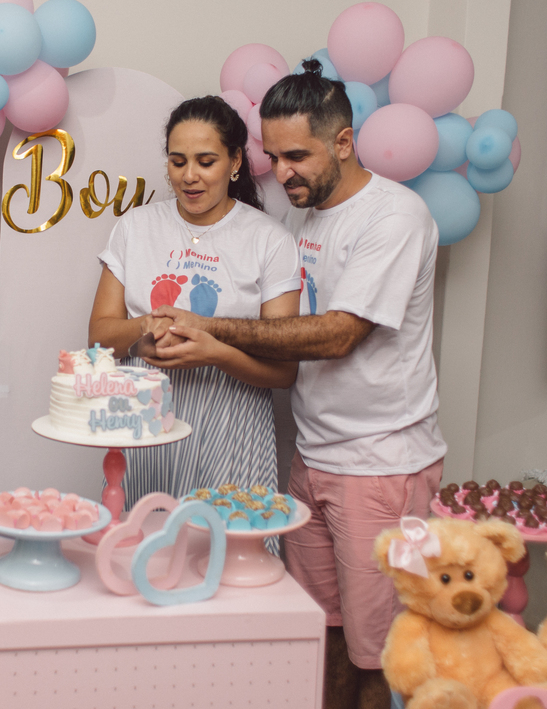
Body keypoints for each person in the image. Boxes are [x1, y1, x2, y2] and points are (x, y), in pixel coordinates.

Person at [150, 60, 446, 709]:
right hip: (314, 458)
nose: (282, 174)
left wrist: (210, 329)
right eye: (275, 156)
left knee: (381, 651)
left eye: (297, 156)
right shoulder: (304, 217)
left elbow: (338, 334)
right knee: (319, 635)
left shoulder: (394, 217)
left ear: (343, 142)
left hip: (381, 464)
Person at [88, 95, 301, 506]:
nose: (189, 176)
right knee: (140, 536)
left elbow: (284, 370)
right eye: (177, 161)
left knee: (224, 540)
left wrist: (215, 352)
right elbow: (98, 337)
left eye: (206, 162)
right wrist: (146, 326)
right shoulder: (135, 227)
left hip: (233, 429)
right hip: (145, 426)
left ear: (235, 161)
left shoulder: (269, 240)